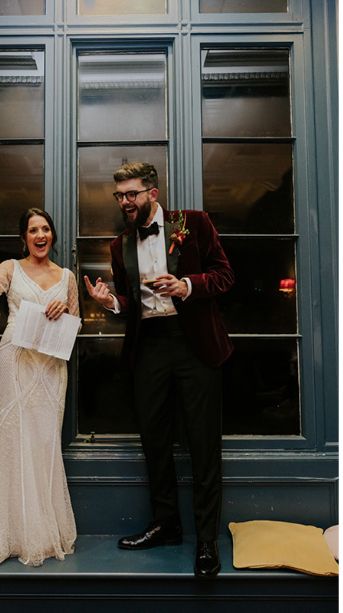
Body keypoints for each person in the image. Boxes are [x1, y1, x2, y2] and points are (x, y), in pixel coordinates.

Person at [83, 162, 233, 577]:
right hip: (148, 346)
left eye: (131, 194)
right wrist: (110, 302)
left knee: (203, 446)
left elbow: (225, 276)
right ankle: (167, 524)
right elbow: (132, 306)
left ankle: (206, 541)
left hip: (194, 345)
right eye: (119, 196)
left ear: (152, 192)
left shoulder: (194, 224)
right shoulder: (120, 246)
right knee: (154, 440)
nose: (125, 202)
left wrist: (187, 286)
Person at [0, 208, 79, 567]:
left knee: (45, 445)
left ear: (52, 235)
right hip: (14, 361)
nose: (40, 235)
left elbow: (78, 327)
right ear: (24, 237)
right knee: (14, 444)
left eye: (46, 229)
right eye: (33, 230)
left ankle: (45, 533)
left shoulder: (68, 277)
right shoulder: (11, 268)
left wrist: (65, 311)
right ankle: (13, 535)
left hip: (50, 366)